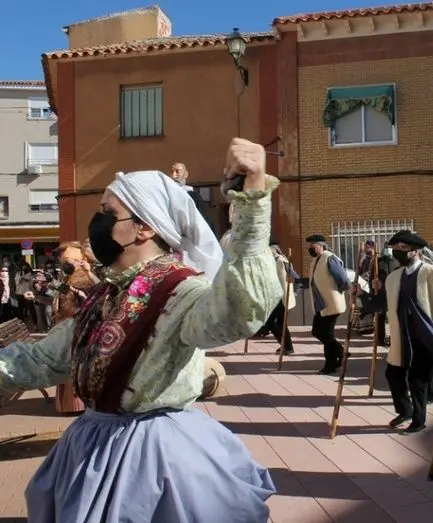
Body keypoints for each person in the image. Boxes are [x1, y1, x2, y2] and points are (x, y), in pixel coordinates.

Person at [0, 138, 279, 522]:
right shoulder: (105, 295)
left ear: (144, 227)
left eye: (108, 212)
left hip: (152, 460)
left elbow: (239, 311)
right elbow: (43, 360)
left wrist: (252, 206)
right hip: (89, 449)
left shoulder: (180, 290)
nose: (97, 222)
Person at [354, 230, 433, 433]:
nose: (398, 251)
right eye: (395, 248)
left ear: (416, 251)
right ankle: (405, 410)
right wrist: (362, 294)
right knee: (393, 373)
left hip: (426, 337)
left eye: (403, 248)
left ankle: (419, 421)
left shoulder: (432, 273)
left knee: (417, 380)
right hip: (403, 337)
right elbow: (380, 303)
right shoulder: (394, 277)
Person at [50, 241, 95, 415]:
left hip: (75, 327)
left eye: (67, 261)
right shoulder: (68, 278)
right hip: (66, 327)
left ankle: (76, 404)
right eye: (63, 261)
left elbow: (84, 302)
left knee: (73, 365)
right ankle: (69, 404)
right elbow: (62, 298)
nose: (64, 264)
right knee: (67, 364)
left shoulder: (83, 278)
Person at [306, 234, 350, 374]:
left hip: (331, 303)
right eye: (309, 246)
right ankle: (341, 352)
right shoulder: (316, 260)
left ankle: (330, 365)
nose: (310, 248)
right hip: (320, 304)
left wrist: (341, 291)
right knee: (317, 332)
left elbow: (342, 278)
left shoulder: (329, 258)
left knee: (326, 334)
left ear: (321, 245)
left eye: (312, 245)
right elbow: (313, 281)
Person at [264, 239, 298, 356]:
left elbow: (294, 276)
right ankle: (286, 345)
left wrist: (292, 284)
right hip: (275, 298)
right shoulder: (272, 261)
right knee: (276, 323)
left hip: (282, 297)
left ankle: (287, 346)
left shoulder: (281, 260)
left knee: (277, 322)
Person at [170, 162, 215, 232]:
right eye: (171, 172)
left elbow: (205, 221)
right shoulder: (167, 196)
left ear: (186, 174)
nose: (173, 176)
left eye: (177, 171)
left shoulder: (194, 197)